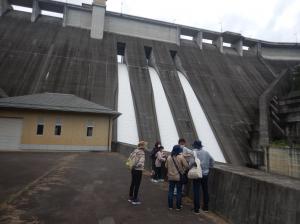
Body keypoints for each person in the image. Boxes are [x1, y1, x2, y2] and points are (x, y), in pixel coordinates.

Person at [190, 140, 214, 214]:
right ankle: (205, 207)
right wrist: (208, 167)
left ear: (194, 146)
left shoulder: (194, 153)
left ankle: (196, 209)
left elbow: (190, 163)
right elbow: (212, 161)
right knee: (205, 190)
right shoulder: (206, 153)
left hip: (197, 174)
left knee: (196, 191)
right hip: (205, 174)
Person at [165, 145, 189, 210]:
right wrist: (182, 170)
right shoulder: (181, 157)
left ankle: (170, 206)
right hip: (178, 177)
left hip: (171, 177)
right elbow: (187, 166)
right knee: (179, 191)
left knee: (170, 191)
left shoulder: (169, 157)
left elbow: (166, 166)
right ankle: (178, 206)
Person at [128, 141, 147, 205]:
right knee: (137, 184)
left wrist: (132, 166)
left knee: (133, 182)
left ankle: (130, 197)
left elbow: (130, 158)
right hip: (138, 170)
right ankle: (135, 199)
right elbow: (140, 163)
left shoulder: (135, 150)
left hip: (133, 169)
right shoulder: (142, 153)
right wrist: (137, 166)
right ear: (143, 146)